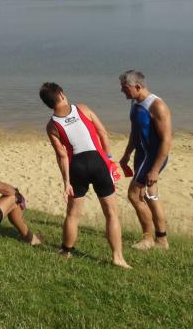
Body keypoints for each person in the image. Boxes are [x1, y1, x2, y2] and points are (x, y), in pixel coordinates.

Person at [39, 82, 131, 269]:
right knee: (111, 213)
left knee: (72, 215)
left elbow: (62, 155)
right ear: (62, 95)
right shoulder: (82, 108)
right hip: (98, 163)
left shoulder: (52, 126)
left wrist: (66, 182)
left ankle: (66, 251)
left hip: (77, 168)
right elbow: (102, 132)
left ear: (48, 104)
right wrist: (108, 159)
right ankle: (117, 257)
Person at [118, 70, 173, 250]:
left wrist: (155, 169)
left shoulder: (157, 106)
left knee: (134, 195)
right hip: (141, 154)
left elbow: (166, 140)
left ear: (137, 86)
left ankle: (148, 239)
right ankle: (162, 240)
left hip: (153, 156)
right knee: (150, 196)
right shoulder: (135, 103)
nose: (122, 91)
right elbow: (135, 132)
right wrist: (127, 154)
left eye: (125, 88)